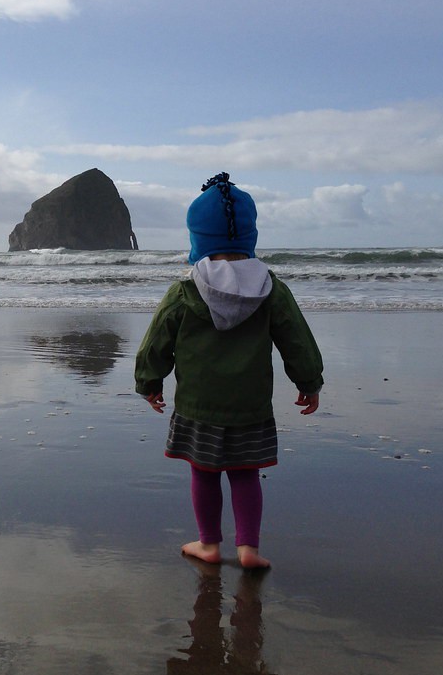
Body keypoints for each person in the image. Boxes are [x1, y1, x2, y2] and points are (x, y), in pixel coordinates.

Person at [135, 173, 323, 569]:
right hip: (250, 407)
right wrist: (309, 381)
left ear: (197, 238)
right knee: (245, 474)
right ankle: (249, 549)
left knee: (204, 474)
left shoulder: (185, 292)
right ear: (250, 234)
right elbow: (296, 339)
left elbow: (157, 341)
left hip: (198, 407)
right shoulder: (271, 289)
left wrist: (149, 382)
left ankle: (209, 545)